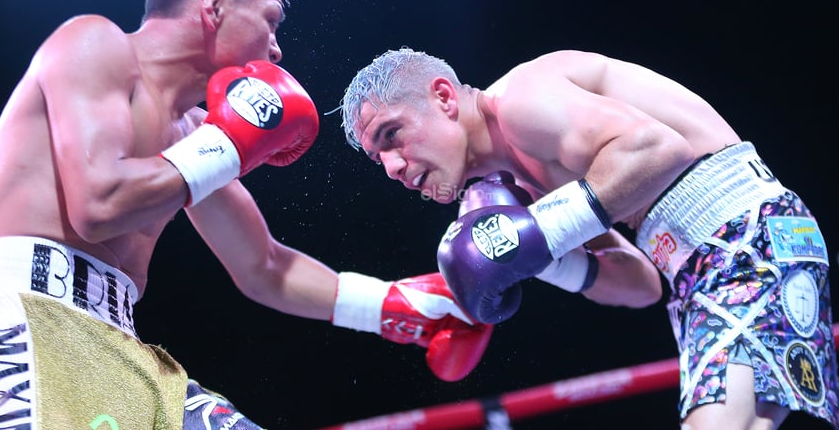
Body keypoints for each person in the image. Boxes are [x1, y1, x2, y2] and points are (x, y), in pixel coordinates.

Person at [0, 0, 492, 430]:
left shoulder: (193, 132)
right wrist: (229, 144)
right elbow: (97, 206)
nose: (276, 49)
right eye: (270, 19)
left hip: (116, 340)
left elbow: (265, 266)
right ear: (213, 6)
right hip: (20, 320)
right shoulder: (94, 44)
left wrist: (398, 307)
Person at [339, 46, 838, 430]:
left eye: (391, 134)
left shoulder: (522, 103)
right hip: (708, 268)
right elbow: (642, 285)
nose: (392, 166)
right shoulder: (524, 192)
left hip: (742, 240)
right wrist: (546, 259)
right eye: (377, 158)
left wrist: (545, 232)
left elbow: (658, 148)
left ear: (444, 97)